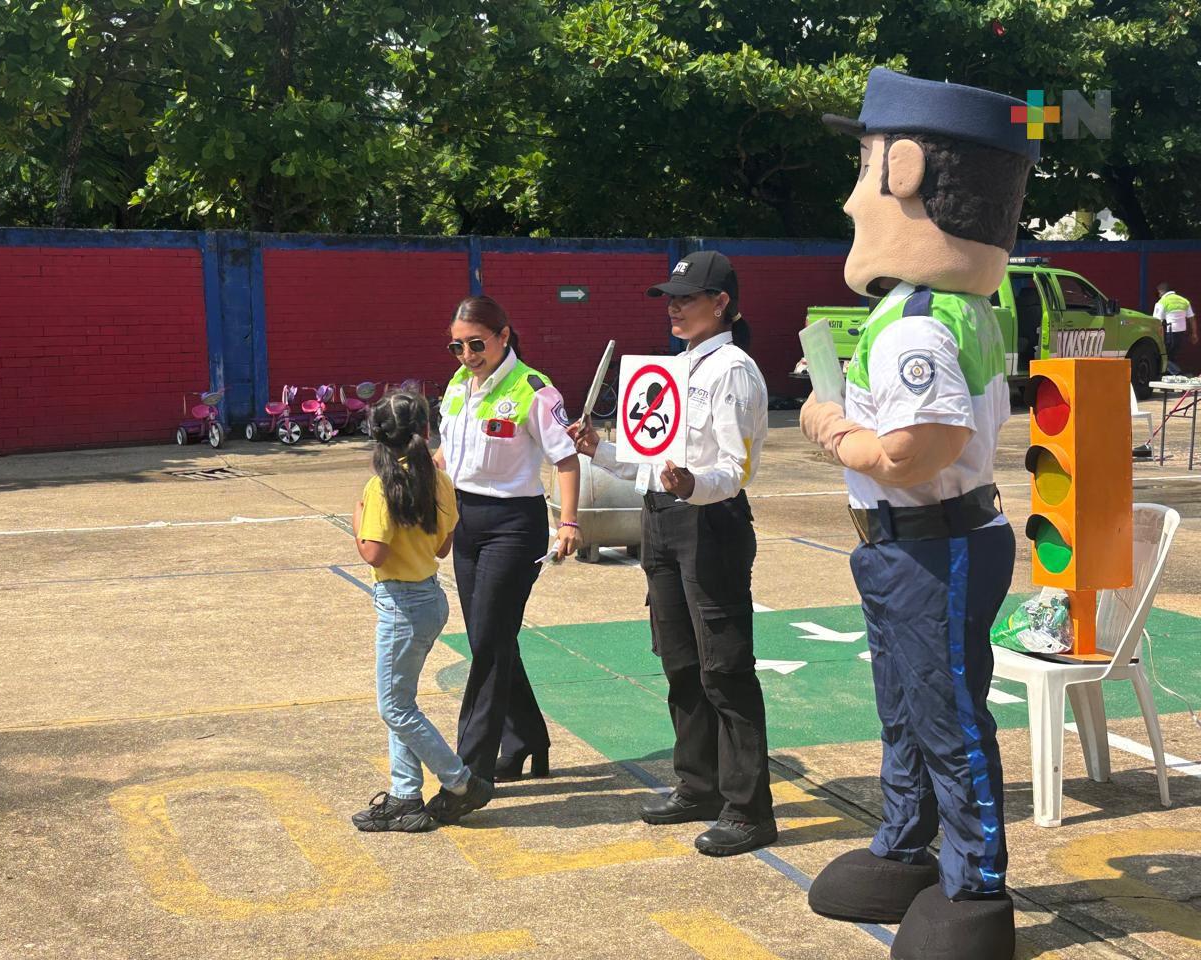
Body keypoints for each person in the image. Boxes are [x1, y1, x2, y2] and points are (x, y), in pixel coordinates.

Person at [800, 68, 1037, 960]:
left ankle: (975, 884)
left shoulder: (917, 326)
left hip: (932, 543)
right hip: (916, 545)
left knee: (946, 717)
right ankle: (906, 845)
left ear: (905, 170)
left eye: (865, 167)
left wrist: (828, 425)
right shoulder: (952, 307)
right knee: (905, 708)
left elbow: (914, 454)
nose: (853, 196)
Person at [569, 250, 777, 857]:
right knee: (680, 659)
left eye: (688, 297)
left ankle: (749, 808)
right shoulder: (676, 366)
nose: (675, 307)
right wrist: (602, 451)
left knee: (725, 667)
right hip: (661, 516)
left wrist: (694, 486)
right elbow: (652, 457)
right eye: (671, 297)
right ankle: (699, 784)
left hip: (710, 520)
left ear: (723, 304)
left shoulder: (732, 369)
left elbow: (734, 470)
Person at [427, 296, 582, 820]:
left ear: (503, 336)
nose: (467, 354)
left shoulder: (534, 390)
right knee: (485, 639)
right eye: (457, 345)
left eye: (476, 343)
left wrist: (569, 522)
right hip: (465, 520)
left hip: (513, 526)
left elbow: (565, 458)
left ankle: (469, 774)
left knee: (489, 645)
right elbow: (448, 453)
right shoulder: (456, 386)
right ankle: (527, 737)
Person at [351, 389, 493, 833]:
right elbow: (444, 544)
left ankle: (459, 782)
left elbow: (373, 552)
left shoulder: (380, 488)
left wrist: (357, 519)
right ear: (425, 432)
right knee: (403, 700)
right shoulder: (439, 480)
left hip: (400, 603)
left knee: (394, 707)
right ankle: (405, 796)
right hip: (430, 597)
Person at [1153, 281, 1196, 375]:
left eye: (1159, 293)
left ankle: (1178, 373)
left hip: (1170, 333)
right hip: (1182, 333)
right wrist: (1194, 334)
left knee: (1162, 356)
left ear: (1161, 291)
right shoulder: (1184, 300)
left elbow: (1156, 321)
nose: (1159, 295)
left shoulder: (1162, 302)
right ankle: (1171, 376)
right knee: (1173, 356)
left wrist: (1157, 337)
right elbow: (1192, 318)